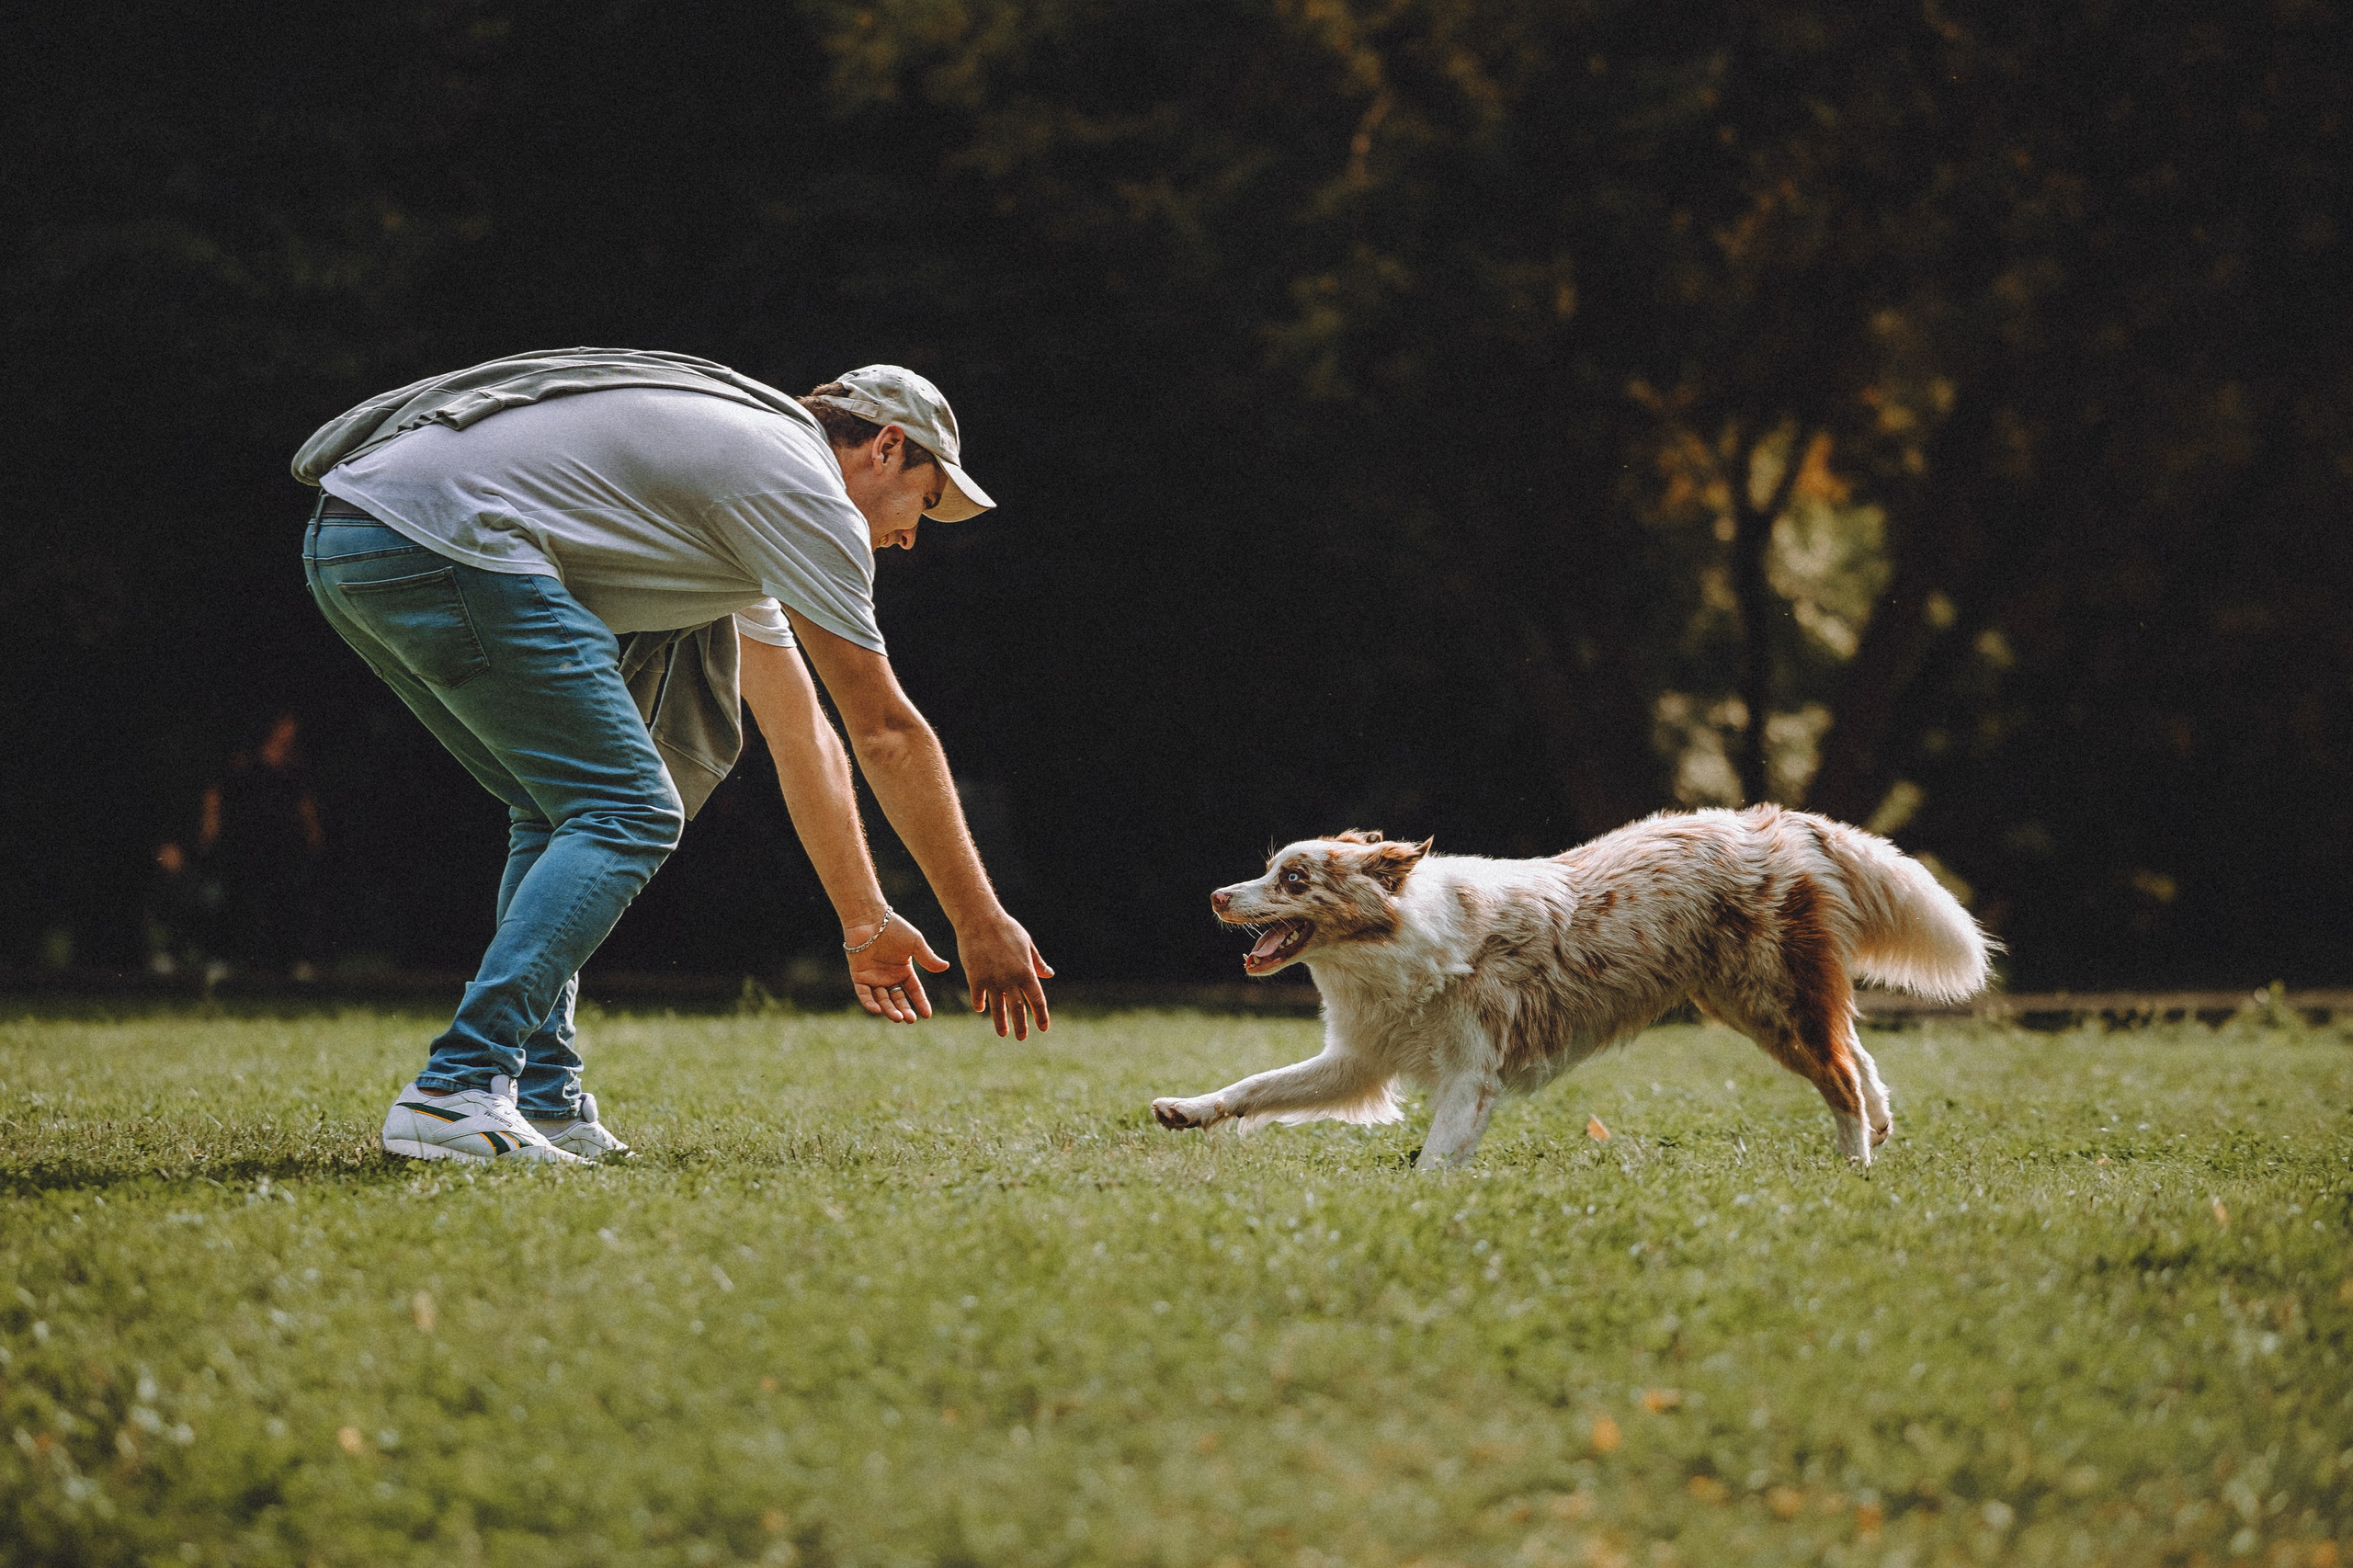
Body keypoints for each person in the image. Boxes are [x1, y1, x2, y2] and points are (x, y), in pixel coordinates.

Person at [292, 349, 1052, 1165]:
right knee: (628, 807)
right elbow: (886, 733)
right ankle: (455, 1089)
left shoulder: (744, 497)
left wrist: (865, 921)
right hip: (444, 539)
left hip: (357, 538)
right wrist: (980, 922)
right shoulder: (800, 489)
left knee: (559, 811)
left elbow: (806, 734)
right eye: (924, 500)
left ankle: (538, 1098)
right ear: (887, 446)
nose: (908, 538)